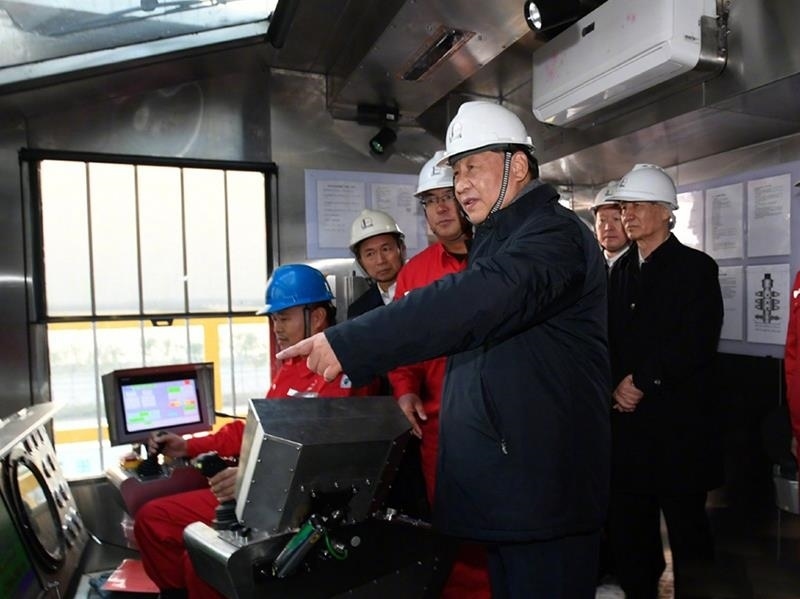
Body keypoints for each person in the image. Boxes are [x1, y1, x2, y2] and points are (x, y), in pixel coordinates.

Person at [278, 101, 611, 598]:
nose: (461, 184)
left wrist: (351, 340)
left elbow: (472, 301)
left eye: (473, 166)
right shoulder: (499, 239)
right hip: (513, 488)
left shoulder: (553, 236)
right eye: (457, 172)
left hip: (546, 489)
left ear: (518, 166)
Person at [134, 264, 372, 599]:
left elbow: (323, 459)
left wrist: (250, 478)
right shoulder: (291, 366)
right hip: (257, 490)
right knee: (152, 521)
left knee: (198, 562)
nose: (276, 328)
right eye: (273, 319)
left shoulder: (342, 371)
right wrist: (187, 447)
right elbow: (254, 429)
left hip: (294, 505)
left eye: (284, 318)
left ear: (317, 317)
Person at [605, 163, 723, 598]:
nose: (628, 215)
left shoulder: (696, 269)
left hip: (679, 430)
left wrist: (641, 381)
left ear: (666, 212)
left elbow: (696, 342)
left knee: (688, 531)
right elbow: (608, 338)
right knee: (631, 530)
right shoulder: (620, 271)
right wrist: (616, 385)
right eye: (624, 207)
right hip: (629, 429)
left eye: (638, 206)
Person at [389, 150, 490, 598]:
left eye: (447, 196)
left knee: (506, 526)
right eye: (430, 201)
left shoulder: (499, 260)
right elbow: (401, 347)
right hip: (438, 428)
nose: (441, 209)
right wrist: (405, 390)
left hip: (502, 425)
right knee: (454, 527)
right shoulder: (415, 273)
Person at [346, 208, 406, 318]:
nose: (380, 260)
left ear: (401, 249)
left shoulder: (423, 291)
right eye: (370, 254)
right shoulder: (358, 311)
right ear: (360, 261)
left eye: (386, 249)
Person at [592, 181, 629, 272]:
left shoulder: (640, 266)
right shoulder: (588, 266)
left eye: (616, 219)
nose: (608, 227)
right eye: (602, 220)